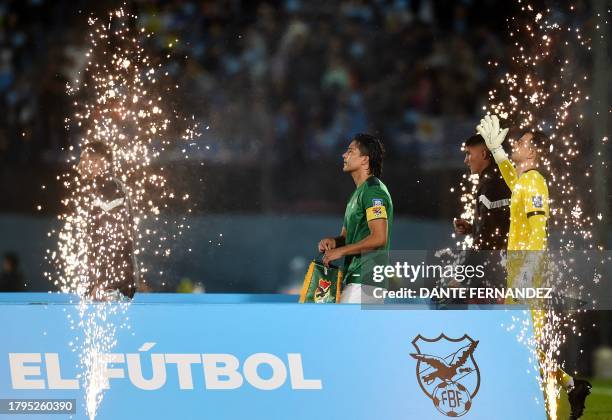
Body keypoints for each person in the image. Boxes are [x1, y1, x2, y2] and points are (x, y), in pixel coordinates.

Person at [477, 114, 591, 419]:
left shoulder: (536, 182)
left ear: (534, 152)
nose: (517, 144)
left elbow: (538, 230)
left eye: (523, 142)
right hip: (520, 273)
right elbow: (514, 180)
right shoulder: (526, 181)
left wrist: (527, 273)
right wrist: (498, 153)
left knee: (522, 343)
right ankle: (570, 386)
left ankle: (538, 408)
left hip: (528, 273)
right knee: (520, 342)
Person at [317, 133, 393, 303]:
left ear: (365, 160)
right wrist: (334, 242)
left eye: (350, 151)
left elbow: (379, 237)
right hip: (355, 279)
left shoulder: (374, 191)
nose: (344, 155)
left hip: (367, 282)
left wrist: (341, 251)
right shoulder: (358, 193)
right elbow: (346, 237)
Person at [452, 134, 511, 303]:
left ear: (484, 155)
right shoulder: (491, 181)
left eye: (469, 154)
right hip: (493, 270)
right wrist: (471, 228)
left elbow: (489, 238)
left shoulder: (493, 184)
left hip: (495, 272)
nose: (466, 160)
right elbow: (494, 226)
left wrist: (462, 276)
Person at [77, 141, 139, 300]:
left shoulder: (108, 188)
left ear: (99, 162)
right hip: (110, 286)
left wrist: (103, 284)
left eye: (84, 160)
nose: (80, 165)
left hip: (112, 289)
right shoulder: (105, 187)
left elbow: (113, 240)